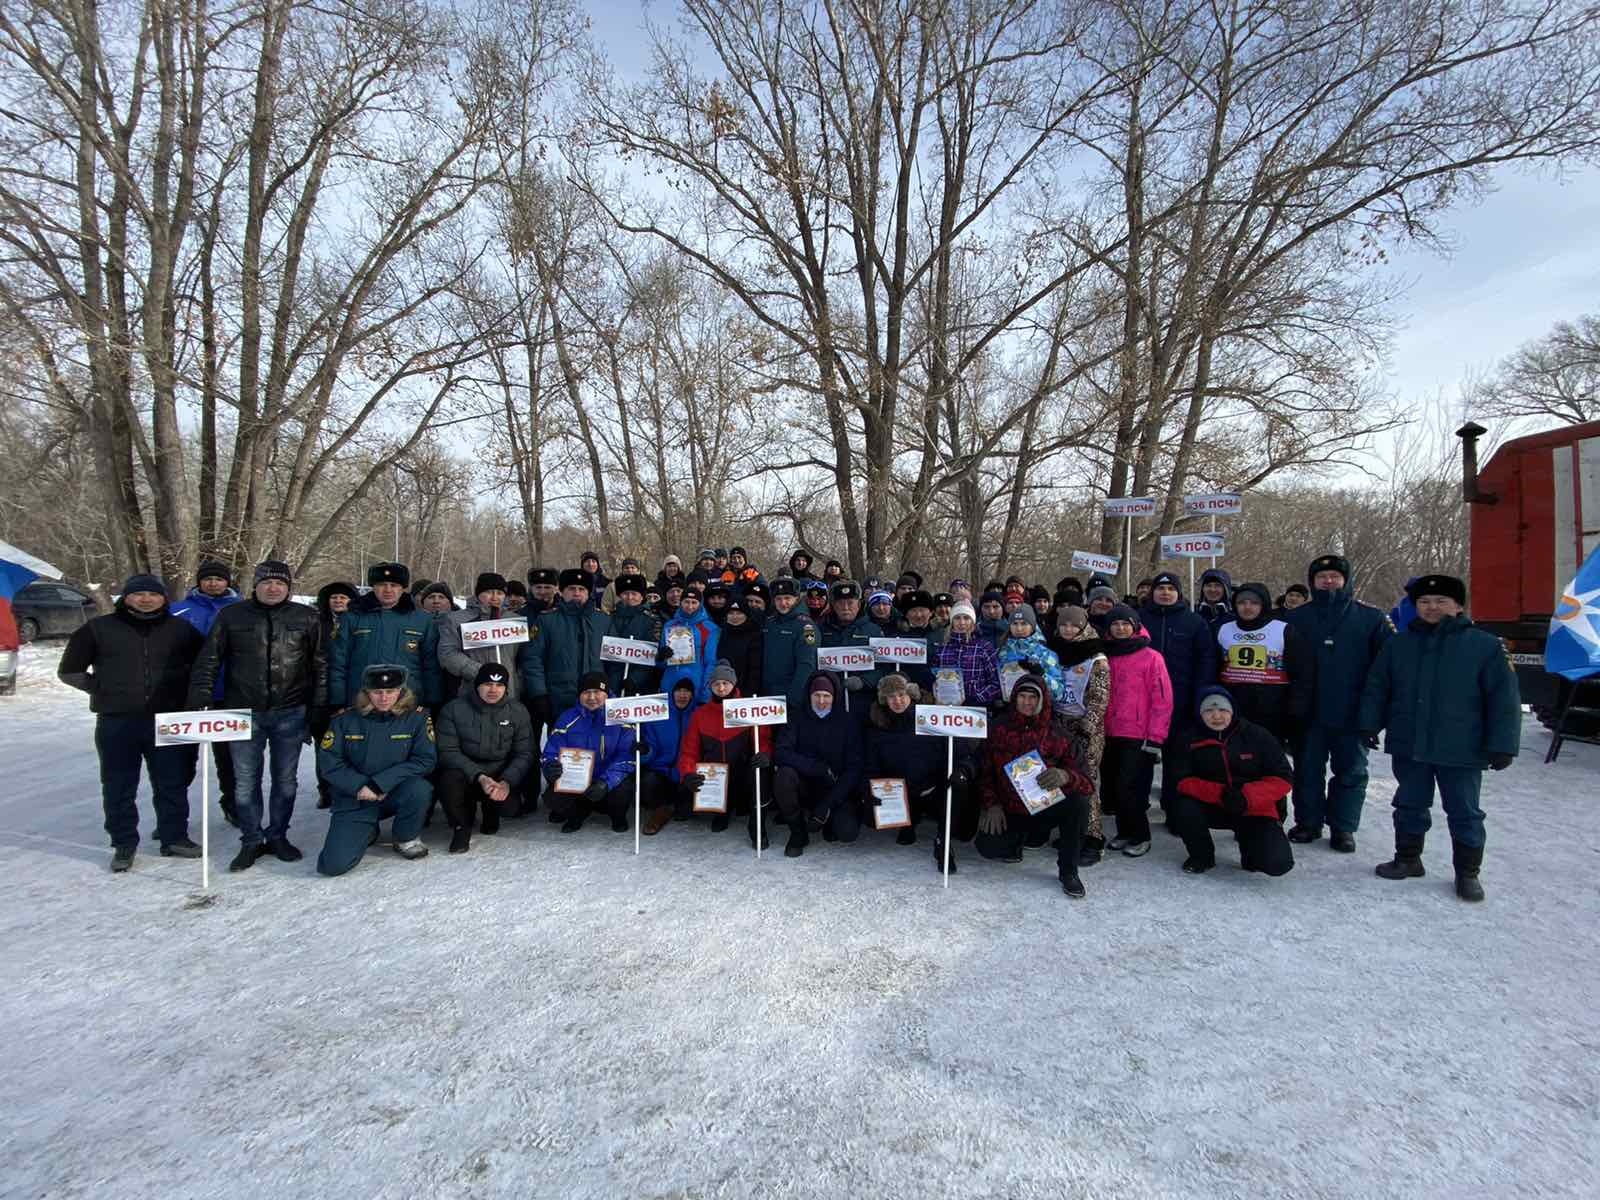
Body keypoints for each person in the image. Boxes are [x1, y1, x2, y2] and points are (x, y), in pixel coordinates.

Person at [1358, 574, 1520, 902]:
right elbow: (1378, 687)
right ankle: (1408, 858)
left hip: (1462, 746)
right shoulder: (1399, 644)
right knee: (1409, 803)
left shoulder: (1484, 646)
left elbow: (1504, 699)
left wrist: (1503, 744)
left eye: (1441, 601)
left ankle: (1467, 873)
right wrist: (1368, 724)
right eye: (1424, 602)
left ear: (1458, 606)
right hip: (1410, 741)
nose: (1432, 607)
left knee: (1464, 811)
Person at [58, 574, 205, 871]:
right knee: (118, 784)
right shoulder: (99, 629)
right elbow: (70, 670)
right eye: (139, 594)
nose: (146, 599)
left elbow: (203, 666)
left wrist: (190, 695)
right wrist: (100, 688)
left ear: (164, 598)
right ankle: (124, 843)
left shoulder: (182, 630)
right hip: (117, 720)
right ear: (125, 597)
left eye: (154, 594)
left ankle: (173, 836)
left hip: (168, 718)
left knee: (172, 782)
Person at [187, 560, 326, 871]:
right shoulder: (232, 615)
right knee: (245, 782)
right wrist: (201, 695)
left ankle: (277, 834)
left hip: (290, 710)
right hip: (242, 712)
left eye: (280, 583)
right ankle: (251, 839)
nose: (273, 588)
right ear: (256, 585)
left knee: (285, 781)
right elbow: (210, 659)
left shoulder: (306, 617)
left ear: (288, 587)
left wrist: (317, 707)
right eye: (267, 582)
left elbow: (321, 664)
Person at [1282, 553, 1394, 853]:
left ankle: (1343, 827)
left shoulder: (1371, 619)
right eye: (1321, 577)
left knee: (1351, 772)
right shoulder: (1295, 618)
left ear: (1345, 580)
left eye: (1334, 577)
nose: (1328, 581)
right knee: (1307, 771)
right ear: (1313, 582)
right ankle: (1309, 822)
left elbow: (1385, 670)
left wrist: (1376, 714)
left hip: (1352, 713)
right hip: (1309, 714)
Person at [975, 674, 1095, 898]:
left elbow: (1087, 783)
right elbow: (985, 771)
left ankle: (1069, 871)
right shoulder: (997, 729)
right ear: (1014, 697)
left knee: (1079, 803)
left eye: (1033, 697)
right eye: (1022, 696)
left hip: (1043, 809)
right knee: (988, 848)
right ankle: (1015, 842)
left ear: (1043, 700)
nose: (1027, 702)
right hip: (1009, 809)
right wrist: (991, 804)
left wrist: (1065, 776)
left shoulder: (1059, 734)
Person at [315, 664, 435, 875]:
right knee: (333, 866)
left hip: (394, 791)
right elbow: (329, 763)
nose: (384, 697)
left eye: (391, 691)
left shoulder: (417, 718)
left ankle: (405, 837)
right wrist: (360, 786)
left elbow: (425, 760)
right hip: (356, 797)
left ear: (401, 691)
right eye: (377, 692)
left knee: (420, 789)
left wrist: (379, 784)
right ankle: (367, 829)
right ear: (366, 692)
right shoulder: (344, 720)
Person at [1171, 688, 1295, 876]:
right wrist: (1221, 794)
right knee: (1184, 807)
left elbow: (1283, 777)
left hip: (1254, 807)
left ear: (1233, 711)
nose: (1216, 716)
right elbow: (1181, 780)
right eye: (1209, 711)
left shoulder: (1257, 736)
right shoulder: (1188, 738)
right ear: (1199, 713)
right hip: (1213, 804)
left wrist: (1247, 796)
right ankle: (1201, 856)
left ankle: (1250, 848)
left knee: (1277, 864)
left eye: (1223, 710)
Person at [864, 673, 977, 868]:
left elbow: (963, 753)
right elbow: (871, 766)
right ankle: (907, 823)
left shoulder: (932, 718)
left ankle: (943, 840)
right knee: (869, 816)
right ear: (884, 700)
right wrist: (868, 789)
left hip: (936, 788)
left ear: (911, 694)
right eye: (891, 697)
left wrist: (964, 771)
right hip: (902, 795)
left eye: (901, 694)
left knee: (963, 822)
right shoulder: (879, 728)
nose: (897, 701)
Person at [1137, 571, 1218, 830]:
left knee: (1177, 763)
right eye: (1160, 589)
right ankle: (1137, 812)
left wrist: (1200, 696)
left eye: (1171, 589)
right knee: (1140, 762)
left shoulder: (1194, 622)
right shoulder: (1139, 619)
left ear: (1178, 593)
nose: (1165, 593)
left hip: (1181, 703)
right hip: (1143, 705)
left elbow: (1206, 660)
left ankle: (1174, 811)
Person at [170, 560, 242, 826]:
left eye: (219, 579)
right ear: (199, 581)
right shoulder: (178, 610)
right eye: (208, 578)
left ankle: (233, 803)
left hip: (229, 692)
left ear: (228, 582)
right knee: (179, 761)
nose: (213, 583)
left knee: (230, 757)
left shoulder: (240, 609)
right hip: (185, 696)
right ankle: (172, 817)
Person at [434, 662, 535, 853]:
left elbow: (524, 753)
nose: (493, 690)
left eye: (499, 685)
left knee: (511, 807)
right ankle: (461, 827)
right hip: (467, 773)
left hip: (499, 774)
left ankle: (492, 810)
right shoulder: (453, 709)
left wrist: (506, 781)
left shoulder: (518, 711)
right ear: (477, 685)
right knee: (448, 780)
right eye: (487, 684)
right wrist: (479, 776)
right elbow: (447, 751)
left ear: (506, 688)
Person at [1100, 604, 1173, 857]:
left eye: (1125, 624)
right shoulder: (1105, 656)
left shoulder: (1152, 657)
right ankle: (1124, 831)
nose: (1120, 629)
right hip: (1110, 732)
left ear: (1135, 626)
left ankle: (1140, 834)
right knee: (1113, 787)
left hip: (1138, 733)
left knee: (1130, 787)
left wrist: (1156, 737)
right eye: (1115, 624)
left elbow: (1162, 699)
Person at [327, 561, 442, 712]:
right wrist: (338, 699)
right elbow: (338, 662)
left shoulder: (423, 620)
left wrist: (433, 700)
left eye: (394, 585)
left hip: (407, 701)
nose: (388, 590)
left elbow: (431, 665)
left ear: (403, 588)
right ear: (373, 586)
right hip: (362, 701)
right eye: (382, 584)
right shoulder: (352, 617)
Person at [773, 670, 863, 856]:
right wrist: (815, 767)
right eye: (817, 695)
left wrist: (827, 805)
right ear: (809, 695)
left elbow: (854, 768)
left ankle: (826, 819)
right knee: (784, 776)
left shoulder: (847, 721)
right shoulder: (796, 717)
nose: (821, 701)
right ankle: (798, 832)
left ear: (834, 696)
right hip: (804, 785)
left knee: (847, 833)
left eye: (826, 696)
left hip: (835, 788)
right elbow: (781, 752)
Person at [1214, 582, 1313, 744]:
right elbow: (1212, 666)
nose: (1247, 607)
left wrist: (1296, 709)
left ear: (1264, 604)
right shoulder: (1223, 629)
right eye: (1242, 602)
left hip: (1273, 710)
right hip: (1232, 707)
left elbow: (1301, 673)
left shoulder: (1283, 630)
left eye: (1254, 603)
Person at [1049, 605, 1110, 865]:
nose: (1068, 630)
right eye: (1064, 625)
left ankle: (1093, 838)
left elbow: (1100, 697)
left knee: (1086, 780)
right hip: (1058, 723)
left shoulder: (1096, 657)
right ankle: (1071, 830)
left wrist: (1088, 725)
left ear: (1083, 626)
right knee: (1063, 779)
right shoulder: (1055, 651)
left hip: (1085, 728)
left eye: (1074, 625)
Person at [539, 672, 637, 833]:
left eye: (597, 692)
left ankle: (617, 816)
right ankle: (576, 814)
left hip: (607, 783)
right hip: (577, 782)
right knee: (552, 796)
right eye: (586, 692)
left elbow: (627, 756)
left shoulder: (621, 717)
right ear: (579, 695)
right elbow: (552, 749)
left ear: (606, 694)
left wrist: (606, 783)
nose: (592, 697)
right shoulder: (567, 718)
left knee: (623, 788)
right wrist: (550, 765)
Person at [520, 567, 611, 739]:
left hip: (596, 698)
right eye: (571, 588)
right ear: (561, 592)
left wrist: (610, 691)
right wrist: (539, 694)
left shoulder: (604, 621)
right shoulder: (546, 620)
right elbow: (533, 659)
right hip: (559, 699)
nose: (576, 593)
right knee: (562, 748)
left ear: (588, 593)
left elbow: (613, 662)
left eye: (581, 589)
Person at [676, 658, 762, 837]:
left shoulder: (747, 709)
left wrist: (765, 754)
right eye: (716, 684)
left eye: (725, 683)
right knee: (683, 802)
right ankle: (721, 810)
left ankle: (752, 814)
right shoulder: (701, 714)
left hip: (741, 774)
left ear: (734, 683)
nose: (721, 688)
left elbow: (763, 739)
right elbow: (689, 751)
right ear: (710, 686)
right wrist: (687, 773)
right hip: (715, 779)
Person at [439, 572, 523, 702]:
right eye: (489, 592)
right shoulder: (457, 620)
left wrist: (516, 680)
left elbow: (523, 657)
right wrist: (481, 672)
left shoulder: (515, 620)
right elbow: (448, 654)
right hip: (471, 690)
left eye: (500, 593)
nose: (495, 597)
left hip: (508, 692)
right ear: (478, 594)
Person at [310, 581, 357, 809]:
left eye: (343, 597)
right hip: (319, 694)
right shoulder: (316, 623)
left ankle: (346, 787)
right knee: (324, 745)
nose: (338, 601)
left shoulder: (358, 623)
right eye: (334, 597)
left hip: (350, 692)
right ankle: (325, 789)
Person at [640, 677, 700, 834]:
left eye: (687, 691)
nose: (682, 695)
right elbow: (650, 745)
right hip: (661, 771)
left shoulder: (698, 715)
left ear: (693, 695)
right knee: (648, 782)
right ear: (671, 693)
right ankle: (660, 810)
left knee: (685, 811)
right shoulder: (658, 714)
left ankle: (675, 806)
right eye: (678, 690)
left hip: (685, 773)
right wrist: (646, 751)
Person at [759, 578, 820, 712]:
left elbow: (807, 665)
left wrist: (793, 698)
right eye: (778, 599)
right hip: (767, 696)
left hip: (790, 699)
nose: (783, 603)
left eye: (787, 598)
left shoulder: (806, 626)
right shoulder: (769, 623)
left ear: (796, 599)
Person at [605, 573, 664, 696]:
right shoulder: (609, 619)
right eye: (626, 594)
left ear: (642, 597)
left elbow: (652, 653)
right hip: (612, 678)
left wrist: (635, 679)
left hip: (640, 683)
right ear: (620, 596)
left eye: (634, 594)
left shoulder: (652, 621)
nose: (630, 597)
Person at [933, 602, 1000, 706]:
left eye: (966, 618)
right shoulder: (942, 648)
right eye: (957, 618)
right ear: (952, 622)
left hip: (976, 708)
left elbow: (996, 682)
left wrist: (979, 697)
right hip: (946, 706)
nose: (962, 622)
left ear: (973, 622)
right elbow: (934, 678)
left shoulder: (984, 647)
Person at [996, 605, 1066, 705]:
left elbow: (1059, 694)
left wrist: (1041, 674)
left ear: (1032, 626)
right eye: (1015, 624)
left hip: (1038, 711)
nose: (1019, 628)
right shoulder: (1002, 653)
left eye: (1024, 624)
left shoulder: (1046, 655)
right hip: (1009, 710)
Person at [660, 586, 720, 702]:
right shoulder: (669, 626)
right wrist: (661, 657)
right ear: (681, 603)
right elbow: (662, 664)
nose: (690, 606)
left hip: (695, 687)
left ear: (700, 604)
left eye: (694, 602)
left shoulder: (710, 628)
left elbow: (711, 663)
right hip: (671, 685)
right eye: (686, 602)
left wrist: (706, 694)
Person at [713, 597, 764, 695]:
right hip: (722, 689)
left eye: (739, 613)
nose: (734, 617)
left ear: (746, 615)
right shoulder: (721, 632)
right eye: (731, 613)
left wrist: (749, 692)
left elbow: (755, 669)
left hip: (745, 691)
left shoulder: (754, 634)